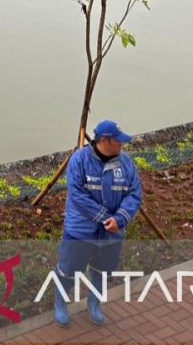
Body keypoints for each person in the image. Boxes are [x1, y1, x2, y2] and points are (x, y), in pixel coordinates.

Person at [53, 120, 142, 328]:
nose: (122, 144)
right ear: (104, 140)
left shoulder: (126, 163)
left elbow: (134, 193)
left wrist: (119, 219)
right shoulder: (79, 160)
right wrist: (104, 218)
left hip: (112, 233)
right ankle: (60, 302)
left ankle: (94, 302)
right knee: (69, 269)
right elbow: (77, 196)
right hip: (80, 231)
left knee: (103, 270)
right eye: (118, 141)